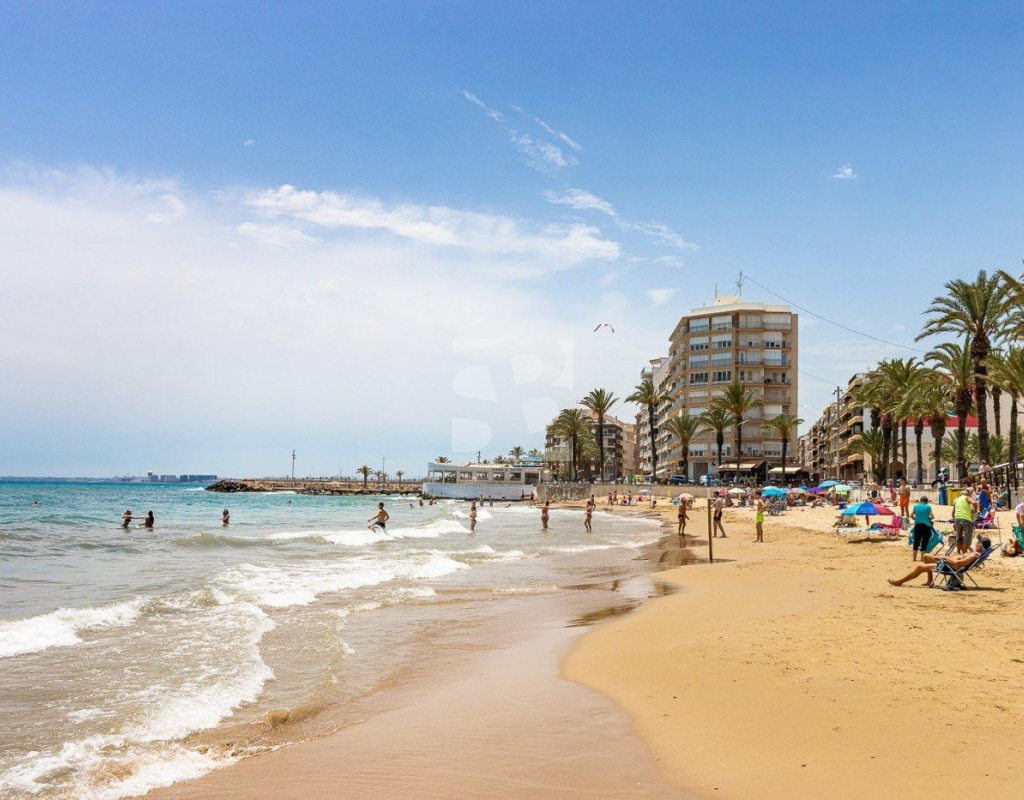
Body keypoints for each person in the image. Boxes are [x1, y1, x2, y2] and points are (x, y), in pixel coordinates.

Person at [888, 537, 991, 587]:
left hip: (949, 566)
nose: (976, 543)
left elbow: (958, 564)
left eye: (978, 542)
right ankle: (930, 581)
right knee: (926, 556)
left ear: (980, 545)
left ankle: (900, 582)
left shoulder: (974, 555)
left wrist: (944, 558)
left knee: (919, 567)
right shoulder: (974, 553)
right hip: (948, 563)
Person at [953, 489, 977, 553]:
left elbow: (953, 512)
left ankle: (958, 552)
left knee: (959, 537)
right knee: (967, 538)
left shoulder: (957, 499)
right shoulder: (966, 497)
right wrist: (975, 510)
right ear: (967, 494)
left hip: (957, 518)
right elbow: (974, 503)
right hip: (966, 519)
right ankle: (964, 554)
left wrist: (955, 521)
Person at [910, 496, 934, 561]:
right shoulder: (928, 507)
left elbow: (911, 515)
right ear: (926, 501)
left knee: (916, 542)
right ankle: (922, 559)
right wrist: (928, 519)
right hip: (926, 526)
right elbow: (932, 516)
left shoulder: (915, 506)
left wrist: (916, 519)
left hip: (917, 525)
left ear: (920, 501)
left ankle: (914, 559)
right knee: (924, 542)